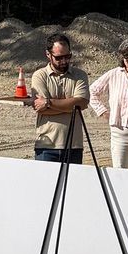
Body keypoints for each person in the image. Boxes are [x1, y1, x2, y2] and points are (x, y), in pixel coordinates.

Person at [32, 34, 89, 162]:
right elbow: (40, 108)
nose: (64, 61)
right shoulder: (39, 76)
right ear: (48, 54)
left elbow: (82, 103)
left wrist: (48, 102)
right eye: (58, 58)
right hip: (47, 146)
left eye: (67, 56)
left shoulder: (80, 75)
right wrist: (71, 106)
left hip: (74, 146)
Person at [90, 36, 128, 169]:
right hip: (120, 132)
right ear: (122, 57)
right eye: (126, 55)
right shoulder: (113, 74)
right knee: (120, 171)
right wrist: (103, 112)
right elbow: (92, 91)